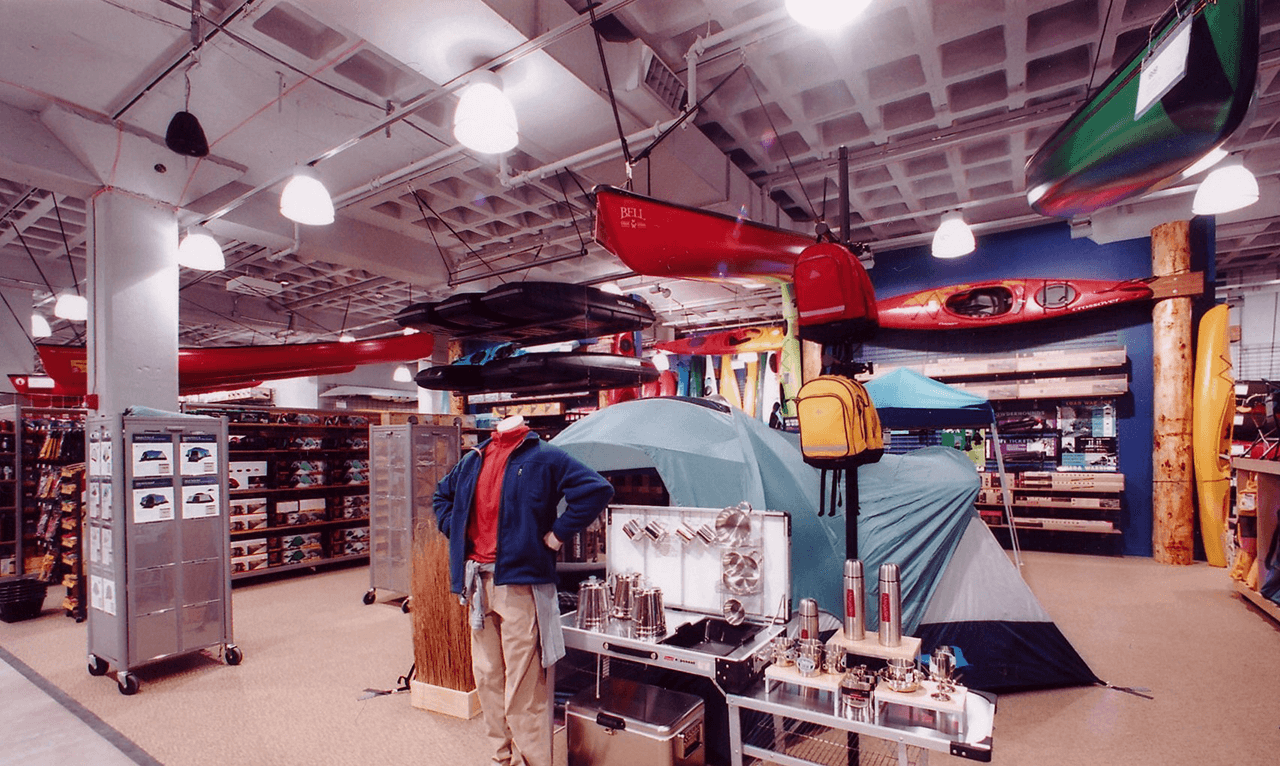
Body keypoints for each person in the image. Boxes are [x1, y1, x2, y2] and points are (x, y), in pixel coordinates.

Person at [433, 415, 613, 766]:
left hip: (520, 585)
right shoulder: (474, 458)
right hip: (476, 584)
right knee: (487, 678)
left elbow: (596, 489)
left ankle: (531, 762)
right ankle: (501, 757)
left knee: (524, 686)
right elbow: (442, 496)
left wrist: (558, 534)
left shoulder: (546, 456)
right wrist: (456, 532)